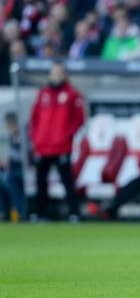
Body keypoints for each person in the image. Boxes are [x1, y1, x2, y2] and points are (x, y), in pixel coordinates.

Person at [29, 62, 85, 222]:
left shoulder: (72, 94)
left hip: (62, 146)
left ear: (65, 75)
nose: (56, 76)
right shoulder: (42, 93)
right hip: (42, 146)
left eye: (59, 72)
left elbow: (78, 119)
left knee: (67, 181)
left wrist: (65, 136)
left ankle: (73, 213)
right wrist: (36, 138)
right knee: (41, 181)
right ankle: (40, 214)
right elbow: (34, 119)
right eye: (53, 72)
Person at [0, 112, 25, 222]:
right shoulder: (12, 136)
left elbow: (22, 155)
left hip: (20, 168)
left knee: (12, 187)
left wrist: (8, 161)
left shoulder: (21, 136)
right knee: (4, 185)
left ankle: (21, 213)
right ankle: (5, 213)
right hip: (12, 168)